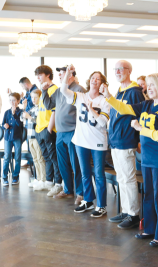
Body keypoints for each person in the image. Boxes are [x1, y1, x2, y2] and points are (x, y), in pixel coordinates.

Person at [101, 72, 158, 247]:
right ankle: (149, 229)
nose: (149, 88)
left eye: (152, 85)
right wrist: (109, 97)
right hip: (147, 157)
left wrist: (141, 128)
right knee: (148, 195)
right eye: (147, 85)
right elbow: (125, 108)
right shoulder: (147, 104)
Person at [55, 65, 111, 218]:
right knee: (85, 173)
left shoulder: (105, 101)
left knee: (98, 174)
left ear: (102, 84)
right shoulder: (81, 96)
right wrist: (67, 74)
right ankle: (88, 200)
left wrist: (91, 110)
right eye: (93, 78)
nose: (95, 80)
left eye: (98, 79)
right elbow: (63, 90)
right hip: (81, 141)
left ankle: (101, 205)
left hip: (98, 142)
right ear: (89, 81)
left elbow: (102, 123)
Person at [107, 60, 145, 229]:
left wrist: (137, 139)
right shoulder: (120, 90)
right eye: (115, 70)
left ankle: (133, 214)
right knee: (121, 178)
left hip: (126, 139)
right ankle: (125, 210)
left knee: (128, 178)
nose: (117, 72)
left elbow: (139, 114)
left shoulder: (135, 91)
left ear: (129, 71)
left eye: (120, 69)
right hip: (116, 140)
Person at [42, 66, 85, 204]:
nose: (59, 76)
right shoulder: (59, 91)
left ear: (70, 75)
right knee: (62, 164)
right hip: (60, 132)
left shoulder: (79, 89)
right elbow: (49, 105)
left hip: (73, 131)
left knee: (75, 164)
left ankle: (80, 193)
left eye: (62, 74)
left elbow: (83, 110)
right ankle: (67, 190)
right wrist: (44, 91)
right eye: (59, 74)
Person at [33, 65, 63, 196]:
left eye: (40, 75)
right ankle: (49, 181)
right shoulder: (43, 90)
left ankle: (58, 184)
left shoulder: (54, 89)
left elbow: (54, 112)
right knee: (47, 158)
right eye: (37, 75)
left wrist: (49, 129)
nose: (38, 77)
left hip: (48, 129)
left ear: (48, 75)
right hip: (39, 129)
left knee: (54, 158)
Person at [8, 77, 38, 169]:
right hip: (27, 119)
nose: (22, 88)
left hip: (33, 119)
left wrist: (23, 101)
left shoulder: (35, 91)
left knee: (33, 143)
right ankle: (30, 161)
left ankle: (32, 162)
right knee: (28, 141)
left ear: (25, 84)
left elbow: (30, 103)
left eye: (22, 86)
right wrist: (17, 97)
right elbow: (23, 102)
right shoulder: (28, 92)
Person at [20, 90, 47, 187]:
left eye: (36, 97)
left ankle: (43, 180)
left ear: (40, 98)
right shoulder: (31, 108)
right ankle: (38, 178)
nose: (34, 99)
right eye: (32, 97)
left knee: (40, 158)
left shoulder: (41, 109)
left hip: (37, 137)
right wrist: (24, 107)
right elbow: (22, 118)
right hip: (29, 137)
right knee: (35, 159)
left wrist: (29, 117)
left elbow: (39, 121)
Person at [1, 93, 23, 186]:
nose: (12, 102)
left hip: (17, 137)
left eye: (14, 100)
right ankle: (4, 177)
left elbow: (20, 124)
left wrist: (14, 114)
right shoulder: (6, 112)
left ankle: (15, 177)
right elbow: (3, 124)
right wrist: (4, 126)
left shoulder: (20, 112)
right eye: (10, 100)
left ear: (18, 101)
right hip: (7, 138)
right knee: (7, 157)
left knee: (17, 158)